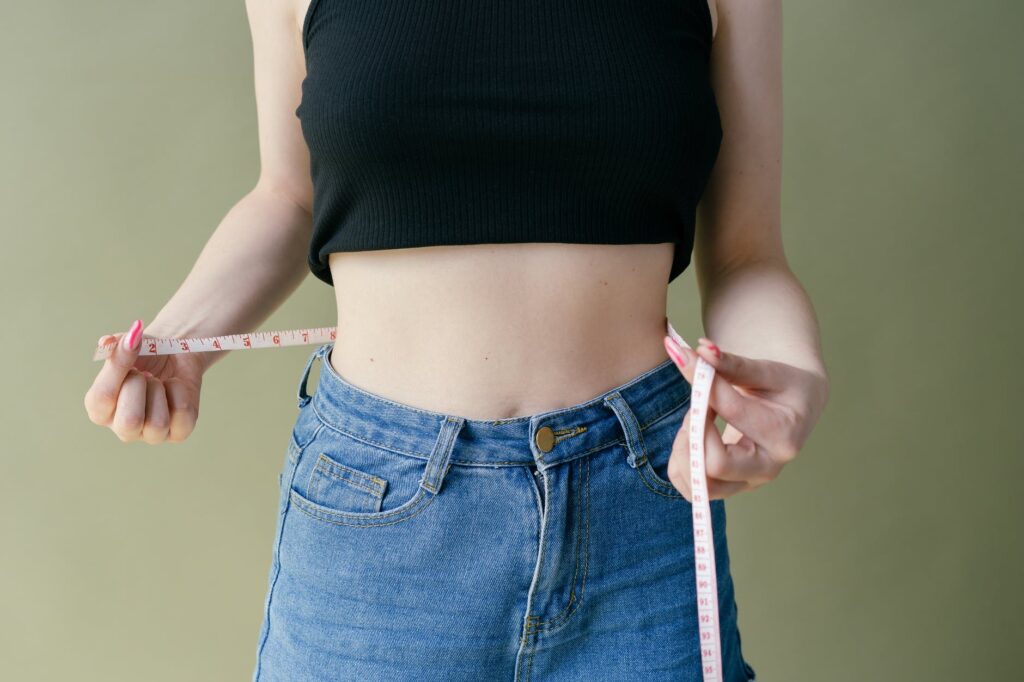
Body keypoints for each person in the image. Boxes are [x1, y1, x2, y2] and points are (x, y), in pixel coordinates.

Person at [84, 0, 828, 679]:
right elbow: (287, 197)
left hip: (641, 503)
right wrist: (181, 340)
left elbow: (747, 256)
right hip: (376, 511)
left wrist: (791, 375)